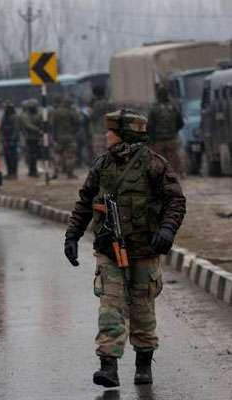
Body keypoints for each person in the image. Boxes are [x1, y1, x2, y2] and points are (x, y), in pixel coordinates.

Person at [64, 110, 186, 387]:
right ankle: (109, 367)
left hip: (144, 250)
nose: (106, 136)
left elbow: (176, 201)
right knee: (111, 307)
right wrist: (72, 235)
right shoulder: (102, 165)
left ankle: (144, 365)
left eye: (111, 132)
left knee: (142, 309)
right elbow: (85, 201)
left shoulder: (154, 164)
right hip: (110, 249)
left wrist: (167, 230)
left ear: (124, 135)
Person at [147, 86, 185, 175]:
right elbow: (181, 123)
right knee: (173, 160)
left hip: (158, 141)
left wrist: (151, 139)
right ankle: (175, 176)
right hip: (171, 139)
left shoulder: (154, 108)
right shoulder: (174, 107)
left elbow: (149, 126)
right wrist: (174, 131)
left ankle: (161, 178)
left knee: (159, 161)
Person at [50, 96, 81, 179]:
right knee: (70, 156)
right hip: (70, 137)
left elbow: (52, 125)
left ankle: (55, 173)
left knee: (57, 155)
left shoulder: (55, 112)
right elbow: (78, 122)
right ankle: (70, 174)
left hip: (59, 137)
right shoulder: (72, 112)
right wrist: (74, 132)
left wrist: (54, 136)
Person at [20, 99, 43, 177]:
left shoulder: (38, 114)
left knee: (35, 155)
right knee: (32, 155)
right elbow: (27, 125)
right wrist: (38, 130)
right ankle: (32, 171)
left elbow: (42, 122)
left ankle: (33, 170)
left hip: (36, 137)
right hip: (29, 138)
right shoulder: (25, 115)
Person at [89, 86, 110, 161]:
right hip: (109, 129)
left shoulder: (96, 104)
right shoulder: (109, 103)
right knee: (108, 148)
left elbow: (92, 117)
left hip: (99, 130)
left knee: (99, 150)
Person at [0, 101, 20, 179]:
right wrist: (2, 138)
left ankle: (14, 173)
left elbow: (16, 129)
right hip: (6, 140)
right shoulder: (4, 117)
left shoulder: (14, 117)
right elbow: (1, 128)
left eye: (6, 108)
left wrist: (12, 139)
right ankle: (9, 173)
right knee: (7, 157)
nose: (5, 109)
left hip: (12, 141)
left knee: (13, 158)